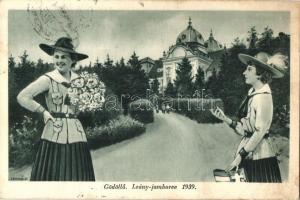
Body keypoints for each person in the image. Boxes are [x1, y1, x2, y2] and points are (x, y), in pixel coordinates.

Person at [17, 37, 95, 181]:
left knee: (78, 176)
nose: (59, 60)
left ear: (73, 60)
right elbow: (22, 96)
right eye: (56, 57)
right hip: (54, 135)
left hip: (77, 135)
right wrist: (43, 111)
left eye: (63, 57)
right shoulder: (48, 79)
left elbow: (81, 106)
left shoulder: (80, 81)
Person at [211, 52, 287, 182]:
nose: (244, 72)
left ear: (260, 74)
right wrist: (225, 119)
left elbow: (259, 132)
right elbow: (245, 131)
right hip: (248, 152)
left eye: (249, 69)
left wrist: (241, 155)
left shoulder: (263, 96)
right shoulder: (253, 94)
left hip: (260, 156)